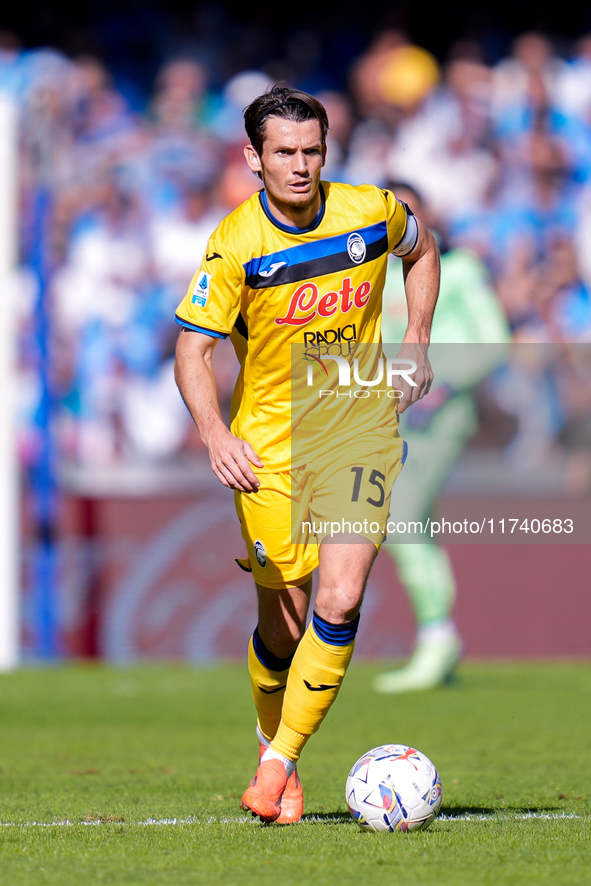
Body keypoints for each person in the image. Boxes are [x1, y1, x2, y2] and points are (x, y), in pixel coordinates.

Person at [173, 86, 440, 823]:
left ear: (327, 151)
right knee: (283, 625)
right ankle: (273, 748)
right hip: (267, 450)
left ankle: (277, 765)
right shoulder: (236, 244)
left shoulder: (371, 211)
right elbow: (191, 352)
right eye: (283, 153)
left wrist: (415, 338)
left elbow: (422, 249)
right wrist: (214, 435)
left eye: (312, 151)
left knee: (341, 595)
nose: (299, 166)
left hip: (358, 428)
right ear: (253, 159)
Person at [375, 181, 511, 694]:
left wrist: (445, 380)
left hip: (438, 412)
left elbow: (493, 340)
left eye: (406, 207)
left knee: (401, 518)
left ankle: (437, 634)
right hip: (389, 415)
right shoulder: (381, 273)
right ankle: (438, 637)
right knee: (408, 522)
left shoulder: (457, 269)